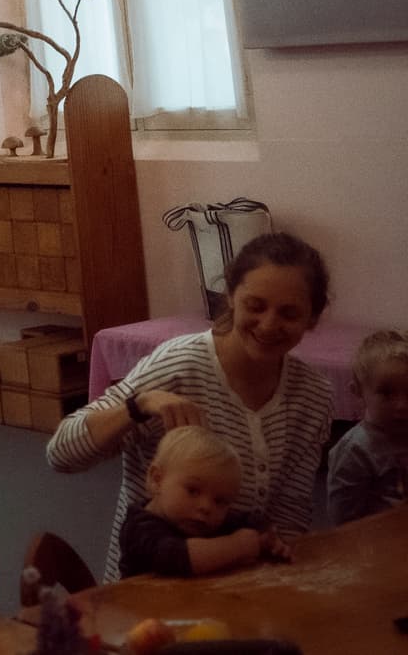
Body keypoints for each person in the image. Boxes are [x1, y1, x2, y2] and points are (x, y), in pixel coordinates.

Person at [46, 232, 336, 580]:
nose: (269, 324)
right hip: (148, 589)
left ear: (312, 318)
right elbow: (61, 454)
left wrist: (273, 574)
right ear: (230, 296)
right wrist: (137, 406)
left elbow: (289, 513)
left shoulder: (312, 395)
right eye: (255, 306)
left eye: (289, 313)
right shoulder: (178, 366)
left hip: (238, 582)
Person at [119, 425, 290, 578]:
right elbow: (178, 557)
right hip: (141, 611)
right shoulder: (139, 528)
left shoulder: (202, 520)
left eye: (220, 501)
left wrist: (267, 538)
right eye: (193, 491)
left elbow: (249, 520)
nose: (206, 507)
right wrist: (238, 546)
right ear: (157, 480)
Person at [327, 328, 408, 524]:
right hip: (376, 544)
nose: (402, 405)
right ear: (358, 392)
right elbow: (343, 522)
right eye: (386, 394)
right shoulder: (355, 450)